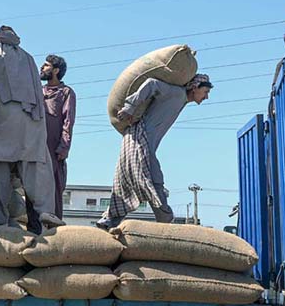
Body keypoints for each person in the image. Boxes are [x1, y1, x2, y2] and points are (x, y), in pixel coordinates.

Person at [0, 26, 65, 233]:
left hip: (0, 127)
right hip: (29, 127)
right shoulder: (30, 60)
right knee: (35, 171)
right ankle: (45, 211)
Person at [96, 74, 213, 230]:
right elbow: (152, 84)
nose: (206, 97)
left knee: (135, 179)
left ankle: (111, 219)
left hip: (140, 141)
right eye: (205, 92)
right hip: (138, 139)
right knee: (149, 179)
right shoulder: (176, 94)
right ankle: (164, 220)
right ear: (194, 88)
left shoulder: (181, 100)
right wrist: (130, 108)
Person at [38, 55, 76, 219]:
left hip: (53, 147)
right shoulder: (38, 90)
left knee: (54, 185)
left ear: (56, 70)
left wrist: (64, 146)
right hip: (35, 145)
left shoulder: (66, 92)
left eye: (46, 65)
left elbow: (68, 120)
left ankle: (54, 225)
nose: (42, 68)